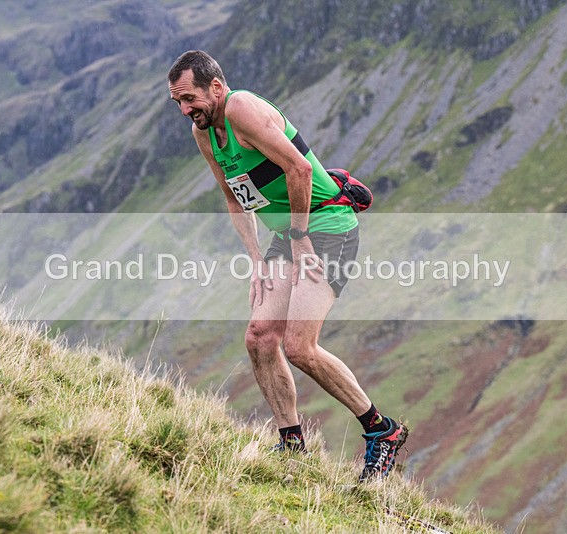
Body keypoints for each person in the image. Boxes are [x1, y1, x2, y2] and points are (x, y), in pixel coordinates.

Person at [167, 50, 407, 482]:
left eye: (190, 99)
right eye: (178, 103)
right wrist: (257, 260)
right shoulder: (204, 132)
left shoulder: (241, 109)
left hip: (328, 228)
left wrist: (299, 242)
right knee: (259, 337)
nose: (186, 110)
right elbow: (231, 195)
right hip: (288, 235)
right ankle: (292, 445)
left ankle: (382, 431)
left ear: (216, 88)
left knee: (299, 346)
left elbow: (297, 168)